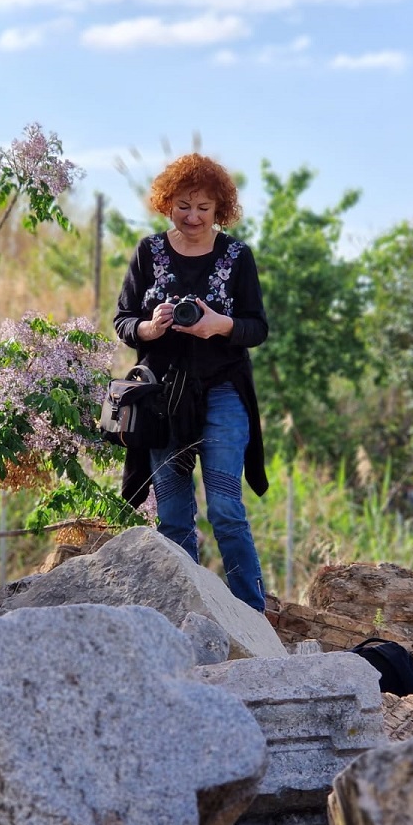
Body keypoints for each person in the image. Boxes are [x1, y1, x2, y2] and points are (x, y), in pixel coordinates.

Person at [113, 153, 269, 613]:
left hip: (223, 390)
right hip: (163, 399)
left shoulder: (238, 256)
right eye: (184, 205)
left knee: (225, 507)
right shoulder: (149, 252)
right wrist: (150, 327)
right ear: (167, 203)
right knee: (174, 514)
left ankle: (250, 613)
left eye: (204, 207)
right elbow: (123, 321)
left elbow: (256, 328)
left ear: (220, 207)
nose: (194, 216)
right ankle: (186, 610)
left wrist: (219, 325)